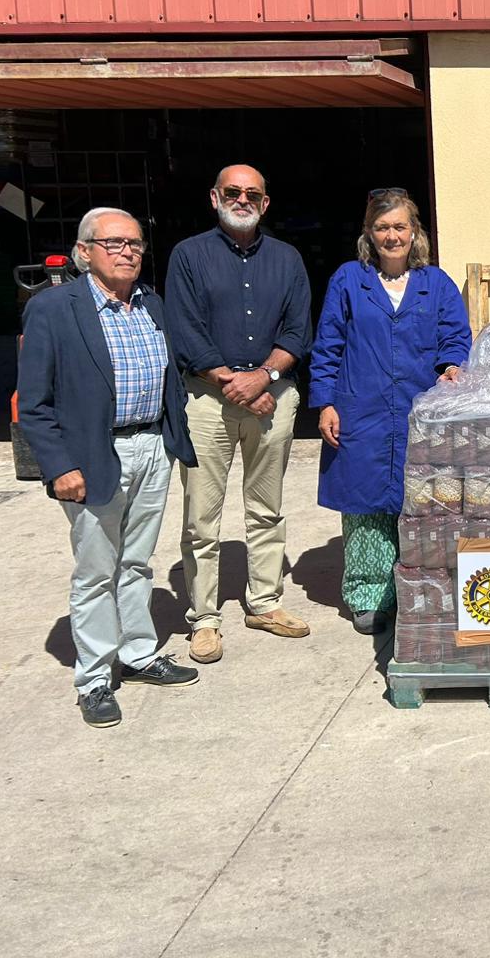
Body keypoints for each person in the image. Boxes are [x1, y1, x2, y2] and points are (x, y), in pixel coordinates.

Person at [17, 208, 200, 727]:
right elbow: (34, 403)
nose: (128, 252)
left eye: (135, 243)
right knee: (96, 570)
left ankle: (138, 653)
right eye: (114, 243)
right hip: (93, 455)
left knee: (137, 562)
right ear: (84, 252)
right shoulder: (54, 308)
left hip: (151, 446)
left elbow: (168, 377)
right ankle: (94, 677)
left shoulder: (151, 303)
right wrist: (58, 465)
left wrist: (171, 437)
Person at [166, 165, 312, 663]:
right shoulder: (189, 256)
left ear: (265, 203)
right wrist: (238, 384)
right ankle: (204, 618)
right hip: (208, 399)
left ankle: (265, 602)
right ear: (215, 197)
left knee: (266, 508)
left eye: (253, 193)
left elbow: (298, 330)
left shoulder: (287, 259)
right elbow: (184, 330)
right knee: (201, 516)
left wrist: (264, 377)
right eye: (233, 192)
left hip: (272, 397)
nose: (242, 199)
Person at [309, 190, 472, 634]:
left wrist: (452, 366)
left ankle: (421, 590)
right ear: (369, 233)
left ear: (414, 232)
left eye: (400, 226)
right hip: (361, 408)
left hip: (420, 409)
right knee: (365, 505)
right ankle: (369, 595)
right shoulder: (349, 280)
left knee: (423, 501)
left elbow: (456, 336)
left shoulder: (436, 283)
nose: (392, 236)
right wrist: (325, 402)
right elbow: (328, 344)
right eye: (382, 227)